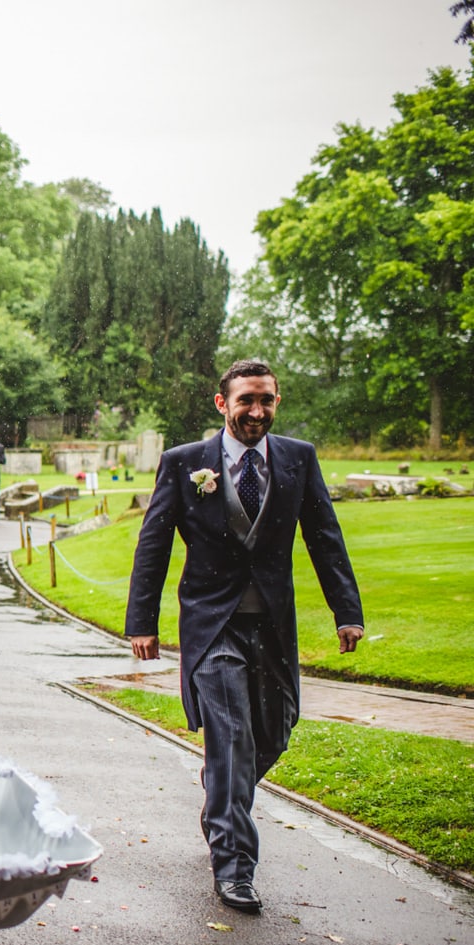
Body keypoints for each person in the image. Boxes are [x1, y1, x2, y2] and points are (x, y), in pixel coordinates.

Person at [126, 359, 362, 915]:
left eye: (267, 401)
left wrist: (345, 610)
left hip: (273, 626)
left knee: (275, 731)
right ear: (221, 403)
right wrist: (142, 622)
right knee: (230, 732)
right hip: (212, 627)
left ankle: (221, 790)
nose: (256, 411)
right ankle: (234, 867)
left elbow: (325, 536)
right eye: (246, 401)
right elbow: (154, 544)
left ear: (276, 402)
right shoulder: (185, 464)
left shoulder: (298, 459)